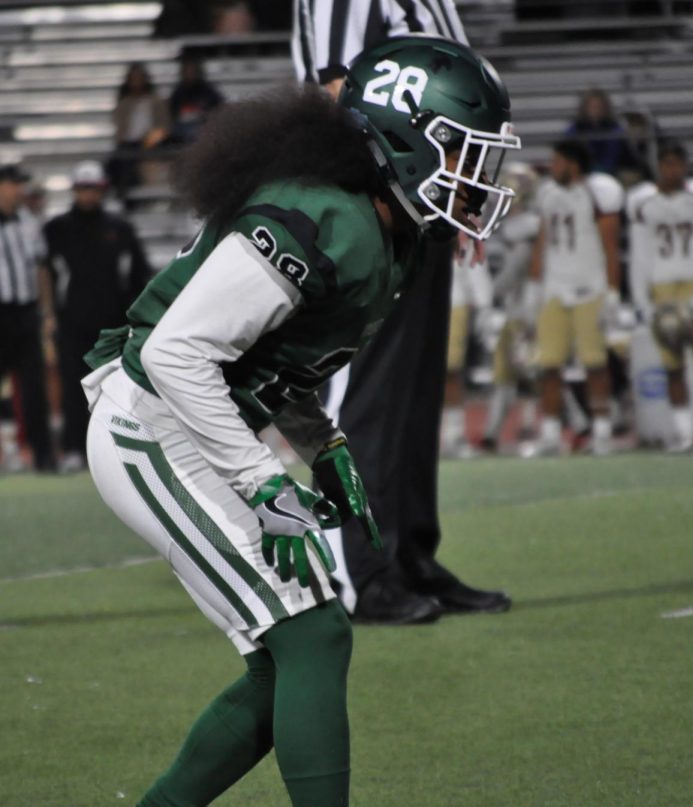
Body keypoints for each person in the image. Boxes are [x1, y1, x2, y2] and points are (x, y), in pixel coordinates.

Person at [82, 37, 520, 806]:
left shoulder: (386, 228)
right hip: (148, 418)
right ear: (402, 135)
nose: (477, 177)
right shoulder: (326, 215)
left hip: (193, 417)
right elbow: (180, 354)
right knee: (313, 633)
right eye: (461, 151)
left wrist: (323, 441)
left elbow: (274, 356)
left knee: (296, 649)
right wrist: (260, 482)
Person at [292, 0, 512, 624]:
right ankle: (353, 570)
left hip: (423, 201)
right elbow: (338, 93)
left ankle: (408, 555)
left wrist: (462, 189)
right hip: (378, 205)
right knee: (366, 391)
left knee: (413, 394)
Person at [44, 161, 152, 473]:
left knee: (115, 389)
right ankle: (74, 449)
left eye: (92, 188)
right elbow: (46, 275)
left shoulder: (120, 228)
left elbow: (137, 275)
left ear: (102, 190)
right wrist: (50, 315)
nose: (87, 195)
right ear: (75, 190)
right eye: (82, 188)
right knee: (73, 388)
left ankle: (115, 451)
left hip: (113, 324)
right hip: (72, 322)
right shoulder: (57, 229)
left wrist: (134, 318)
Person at [627, 139, 693, 451]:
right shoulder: (644, 203)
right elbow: (639, 254)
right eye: (666, 163)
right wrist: (642, 300)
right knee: (672, 367)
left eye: (676, 163)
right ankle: (684, 433)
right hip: (663, 289)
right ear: (658, 166)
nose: (671, 170)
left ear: (685, 166)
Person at [527, 140, 623, 456]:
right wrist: (534, 285)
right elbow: (542, 241)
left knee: (595, 365)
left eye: (557, 162)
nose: (552, 168)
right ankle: (551, 434)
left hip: (589, 290)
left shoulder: (596, 194)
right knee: (548, 365)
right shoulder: (547, 194)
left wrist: (612, 292)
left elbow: (611, 247)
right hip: (555, 289)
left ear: (574, 165)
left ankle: (603, 431)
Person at [480, 162, 542, 453]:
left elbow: (518, 267)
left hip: (526, 302)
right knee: (506, 371)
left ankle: (530, 427)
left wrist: (492, 297)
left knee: (529, 368)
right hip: (510, 304)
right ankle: (494, 432)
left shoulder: (528, 223)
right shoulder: (507, 223)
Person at [0, 163, 56, 472]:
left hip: (25, 313)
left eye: (21, 184)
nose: (20, 190)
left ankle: (43, 456)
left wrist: (46, 311)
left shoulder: (28, 221)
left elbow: (41, 267)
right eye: (14, 184)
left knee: (35, 389)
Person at [441, 237, 492, 458]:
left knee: (451, 370)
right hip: (420, 304)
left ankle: (454, 433)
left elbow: (471, 256)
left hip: (454, 299)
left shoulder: (457, 219)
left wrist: (483, 302)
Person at [108, 63, 171, 198]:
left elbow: (164, 127)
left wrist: (149, 140)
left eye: (139, 78)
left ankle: (125, 191)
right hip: (128, 144)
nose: (137, 82)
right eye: (133, 79)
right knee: (115, 161)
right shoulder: (124, 103)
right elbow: (120, 130)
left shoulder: (156, 101)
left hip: (152, 143)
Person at [564, 89, 635, 177]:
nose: (596, 110)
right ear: (585, 108)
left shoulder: (615, 129)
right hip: (582, 175)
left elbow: (619, 157)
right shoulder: (575, 129)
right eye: (592, 106)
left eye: (599, 106)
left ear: (605, 108)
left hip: (612, 174)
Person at [168, 56, 224, 144]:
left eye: (192, 72)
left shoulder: (209, 91)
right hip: (182, 128)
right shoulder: (178, 92)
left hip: (203, 126)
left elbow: (218, 110)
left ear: (198, 72)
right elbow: (173, 114)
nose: (190, 74)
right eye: (187, 72)